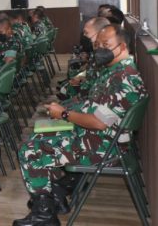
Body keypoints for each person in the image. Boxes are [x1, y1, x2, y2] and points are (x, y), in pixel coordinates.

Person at [14, 25, 148, 226]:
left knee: (30, 149)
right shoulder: (117, 70)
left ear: (122, 46)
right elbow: (97, 110)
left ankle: (44, 215)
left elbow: (99, 123)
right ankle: (55, 197)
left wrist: (65, 114)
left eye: (106, 45)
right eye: (98, 45)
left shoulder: (123, 78)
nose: (100, 49)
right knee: (41, 136)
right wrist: (64, 113)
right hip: (102, 139)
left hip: (103, 147)